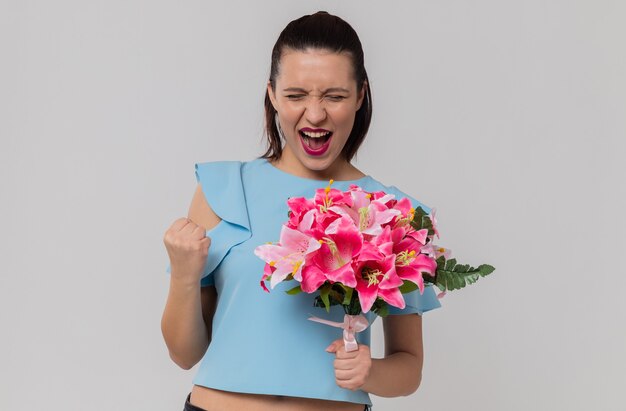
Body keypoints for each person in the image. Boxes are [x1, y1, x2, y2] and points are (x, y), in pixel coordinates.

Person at [162, 11, 441, 411]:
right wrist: (184, 277)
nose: (314, 114)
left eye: (335, 96)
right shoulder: (223, 189)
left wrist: (370, 372)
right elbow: (183, 353)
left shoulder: (398, 214)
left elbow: (409, 367)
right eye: (295, 95)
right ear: (272, 94)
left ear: (361, 95)